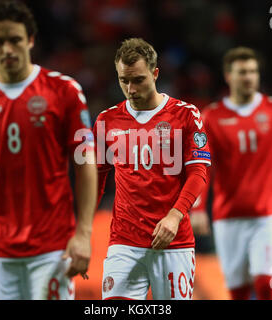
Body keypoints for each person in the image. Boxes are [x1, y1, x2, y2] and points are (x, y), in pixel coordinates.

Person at [0, 0, 97, 300]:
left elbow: (85, 164)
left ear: (30, 40)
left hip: (52, 249)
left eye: (15, 40)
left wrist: (84, 233)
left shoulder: (64, 91)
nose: (7, 49)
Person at [190, 47, 272, 300]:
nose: (248, 77)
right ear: (228, 75)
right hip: (227, 216)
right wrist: (198, 207)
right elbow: (201, 165)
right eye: (242, 72)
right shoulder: (211, 117)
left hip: (266, 214)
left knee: (265, 284)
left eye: (253, 71)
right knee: (237, 291)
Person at [93, 38, 211, 300]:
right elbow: (97, 177)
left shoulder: (185, 114)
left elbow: (198, 173)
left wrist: (175, 215)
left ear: (155, 73)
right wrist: (81, 227)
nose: (130, 88)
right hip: (124, 242)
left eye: (138, 80)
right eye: (124, 80)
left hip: (173, 242)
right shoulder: (106, 120)